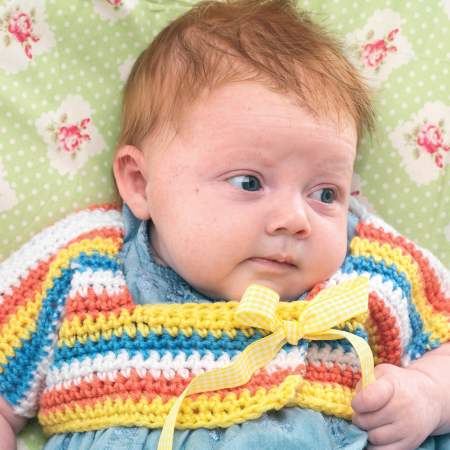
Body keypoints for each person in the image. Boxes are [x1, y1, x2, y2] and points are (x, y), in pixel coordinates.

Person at [0, 1, 449, 449]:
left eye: (325, 194)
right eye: (249, 182)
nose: (295, 219)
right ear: (140, 183)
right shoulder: (84, 267)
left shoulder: (374, 271)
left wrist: (427, 394)